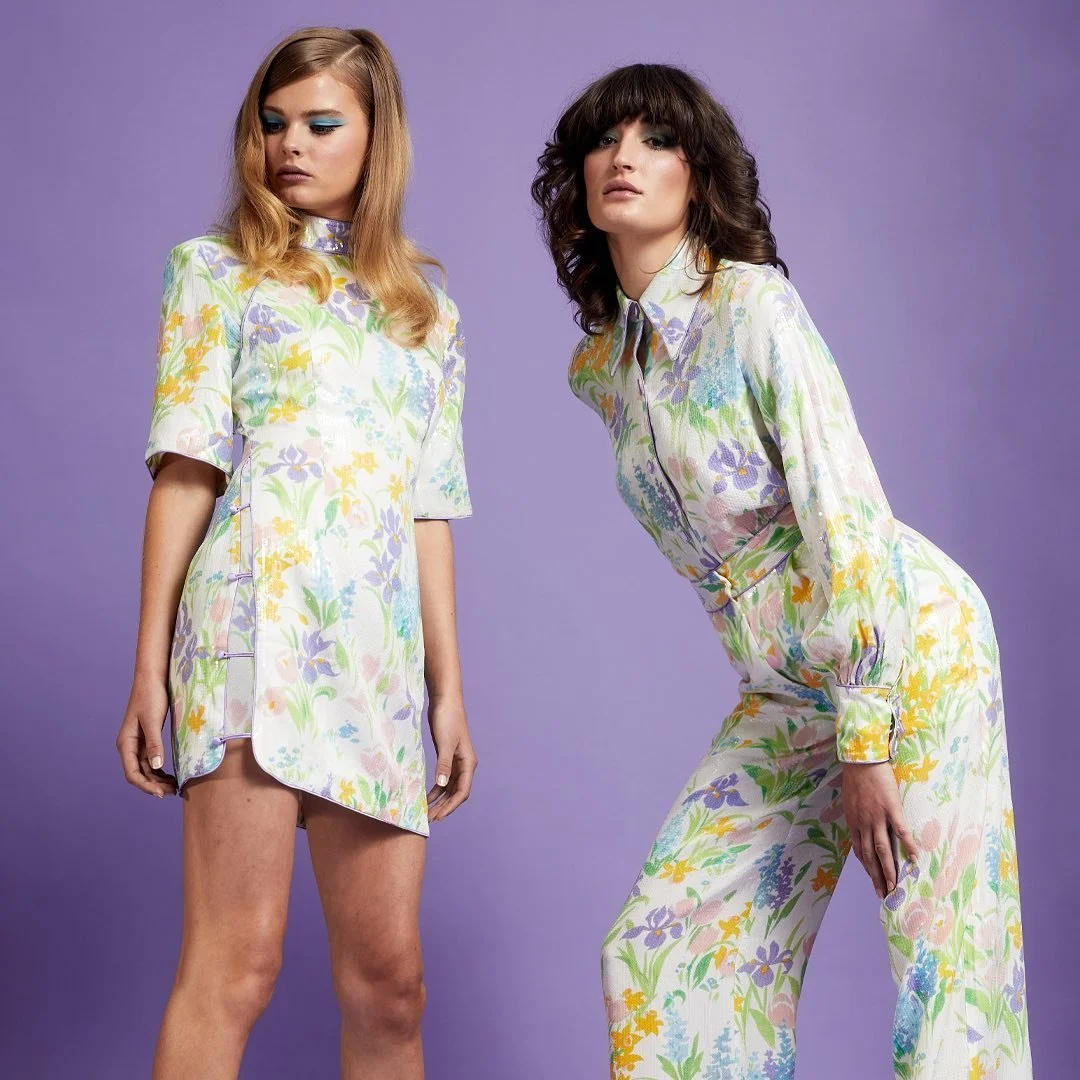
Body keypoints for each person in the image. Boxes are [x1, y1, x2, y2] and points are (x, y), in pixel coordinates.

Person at [532, 63, 1030, 1080]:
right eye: (604, 140)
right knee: (664, 951)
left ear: (698, 175)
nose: (624, 157)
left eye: (657, 139)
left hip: (901, 644)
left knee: (946, 971)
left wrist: (866, 734)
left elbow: (846, 513)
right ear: (577, 178)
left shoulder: (752, 309)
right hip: (786, 683)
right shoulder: (602, 370)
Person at [115, 27, 476, 1080]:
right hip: (248, 637)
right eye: (273, 124)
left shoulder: (427, 315)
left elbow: (428, 510)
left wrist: (448, 691)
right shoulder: (215, 274)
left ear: (377, 138)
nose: (291, 146)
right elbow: (186, 473)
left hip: (374, 662)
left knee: (391, 986)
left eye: (321, 124)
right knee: (238, 966)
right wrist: (147, 670)